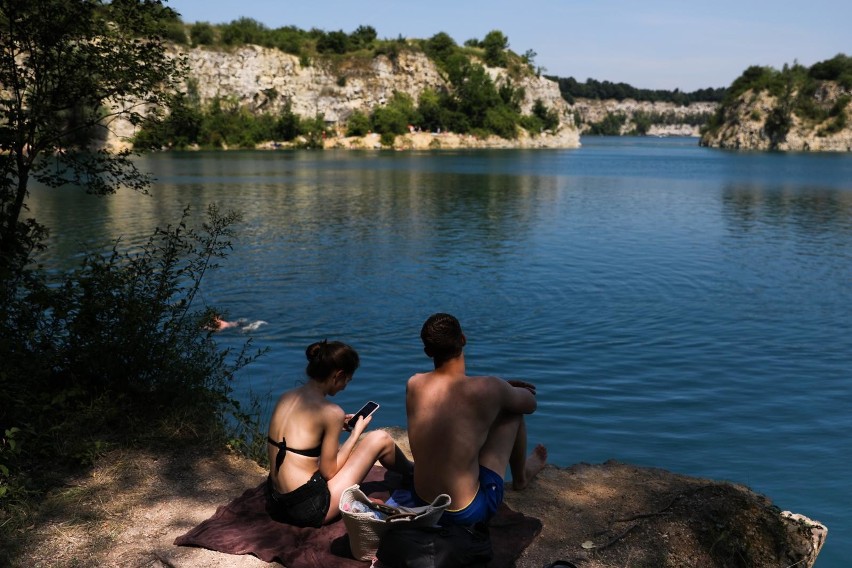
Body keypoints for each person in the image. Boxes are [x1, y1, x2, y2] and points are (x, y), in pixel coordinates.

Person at [406, 313, 547, 526]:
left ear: (428, 352)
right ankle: (521, 478)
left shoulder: (414, 383)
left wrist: (500, 392)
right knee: (512, 411)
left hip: (422, 502)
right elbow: (530, 405)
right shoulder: (490, 388)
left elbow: (454, 404)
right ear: (463, 339)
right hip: (466, 512)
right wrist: (505, 391)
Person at [265, 339, 413, 528]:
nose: (345, 386)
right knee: (380, 439)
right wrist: (355, 434)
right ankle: (414, 472)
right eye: (347, 380)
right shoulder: (331, 412)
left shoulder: (286, 397)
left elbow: (299, 436)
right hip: (307, 509)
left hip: (276, 501)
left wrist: (334, 427)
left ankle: (411, 470)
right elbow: (328, 472)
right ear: (338, 375)